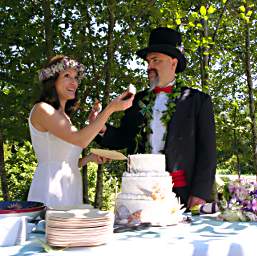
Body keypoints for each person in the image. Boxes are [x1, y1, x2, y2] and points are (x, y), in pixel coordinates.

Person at [90, 27, 216, 209]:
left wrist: (199, 193)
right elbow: (123, 138)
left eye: (156, 60)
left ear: (173, 63)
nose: (149, 66)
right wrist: (100, 127)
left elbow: (207, 152)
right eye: (148, 61)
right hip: (142, 193)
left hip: (182, 193)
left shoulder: (198, 101)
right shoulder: (136, 101)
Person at [27, 55, 134, 207]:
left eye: (76, 78)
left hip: (70, 189)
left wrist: (89, 159)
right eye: (67, 76)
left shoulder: (64, 117)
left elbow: (65, 162)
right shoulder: (43, 109)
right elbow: (80, 140)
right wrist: (110, 108)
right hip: (50, 189)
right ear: (52, 81)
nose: (74, 82)